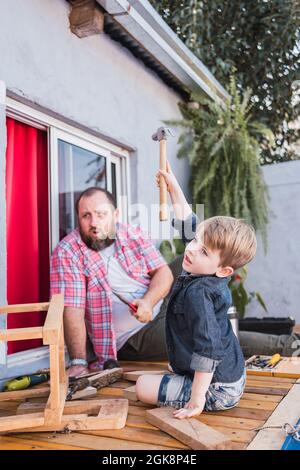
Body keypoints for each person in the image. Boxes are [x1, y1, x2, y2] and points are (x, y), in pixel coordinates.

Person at [136, 162, 257, 419]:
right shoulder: (203, 268)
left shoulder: (199, 293)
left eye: (203, 251)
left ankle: (198, 390)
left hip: (218, 388)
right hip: (232, 372)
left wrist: (196, 398)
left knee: (142, 387)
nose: (191, 249)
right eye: (195, 240)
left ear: (224, 270)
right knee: (167, 370)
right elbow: (188, 224)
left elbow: (208, 349)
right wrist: (173, 186)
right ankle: (189, 379)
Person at [50, 187, 173, 377]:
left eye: (101, 214)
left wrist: (148, 301)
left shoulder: (131, 233)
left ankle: (213, 321)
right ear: (78, 219)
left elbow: (163, 271)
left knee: (204, 259)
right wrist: (79, 361)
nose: (94, 223)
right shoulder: (68, 251)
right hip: (136, 335)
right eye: (86, 216)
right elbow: (72, 309)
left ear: (116, 215)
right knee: (196, 336)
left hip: (158, 304)